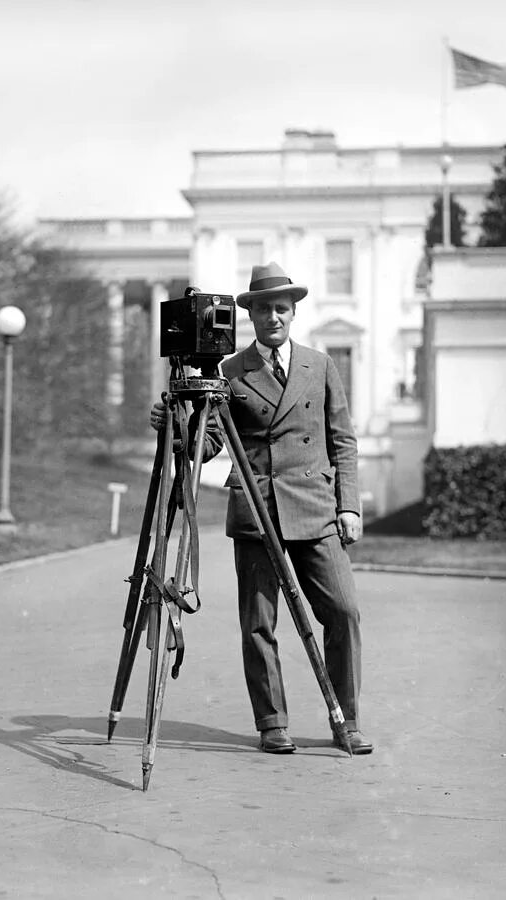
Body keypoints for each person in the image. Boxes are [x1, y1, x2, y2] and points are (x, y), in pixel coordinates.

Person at [150, 261, 372, 756]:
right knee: (259, 624)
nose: (272, 317)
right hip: (256, 507)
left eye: (281, 308)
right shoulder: (230, 371)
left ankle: (347, 717)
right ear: (249, 315)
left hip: (315, 509)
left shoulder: (321, 365)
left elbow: (343, 442)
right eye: (263, 309)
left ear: (293, 313)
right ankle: (272, 721)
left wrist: (349, 506)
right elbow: (208, 445)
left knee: (343, 611)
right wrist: (177, 427)